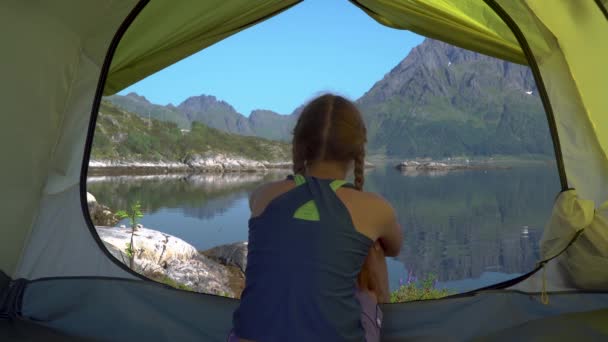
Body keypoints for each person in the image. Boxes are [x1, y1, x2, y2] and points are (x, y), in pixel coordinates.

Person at [229, 94, 403, 342]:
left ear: (300, 145)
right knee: (373, 247)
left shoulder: (261, 196)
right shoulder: (375, 208)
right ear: (357, 149)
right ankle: (390, 326)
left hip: (249, 336)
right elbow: (395, 247)